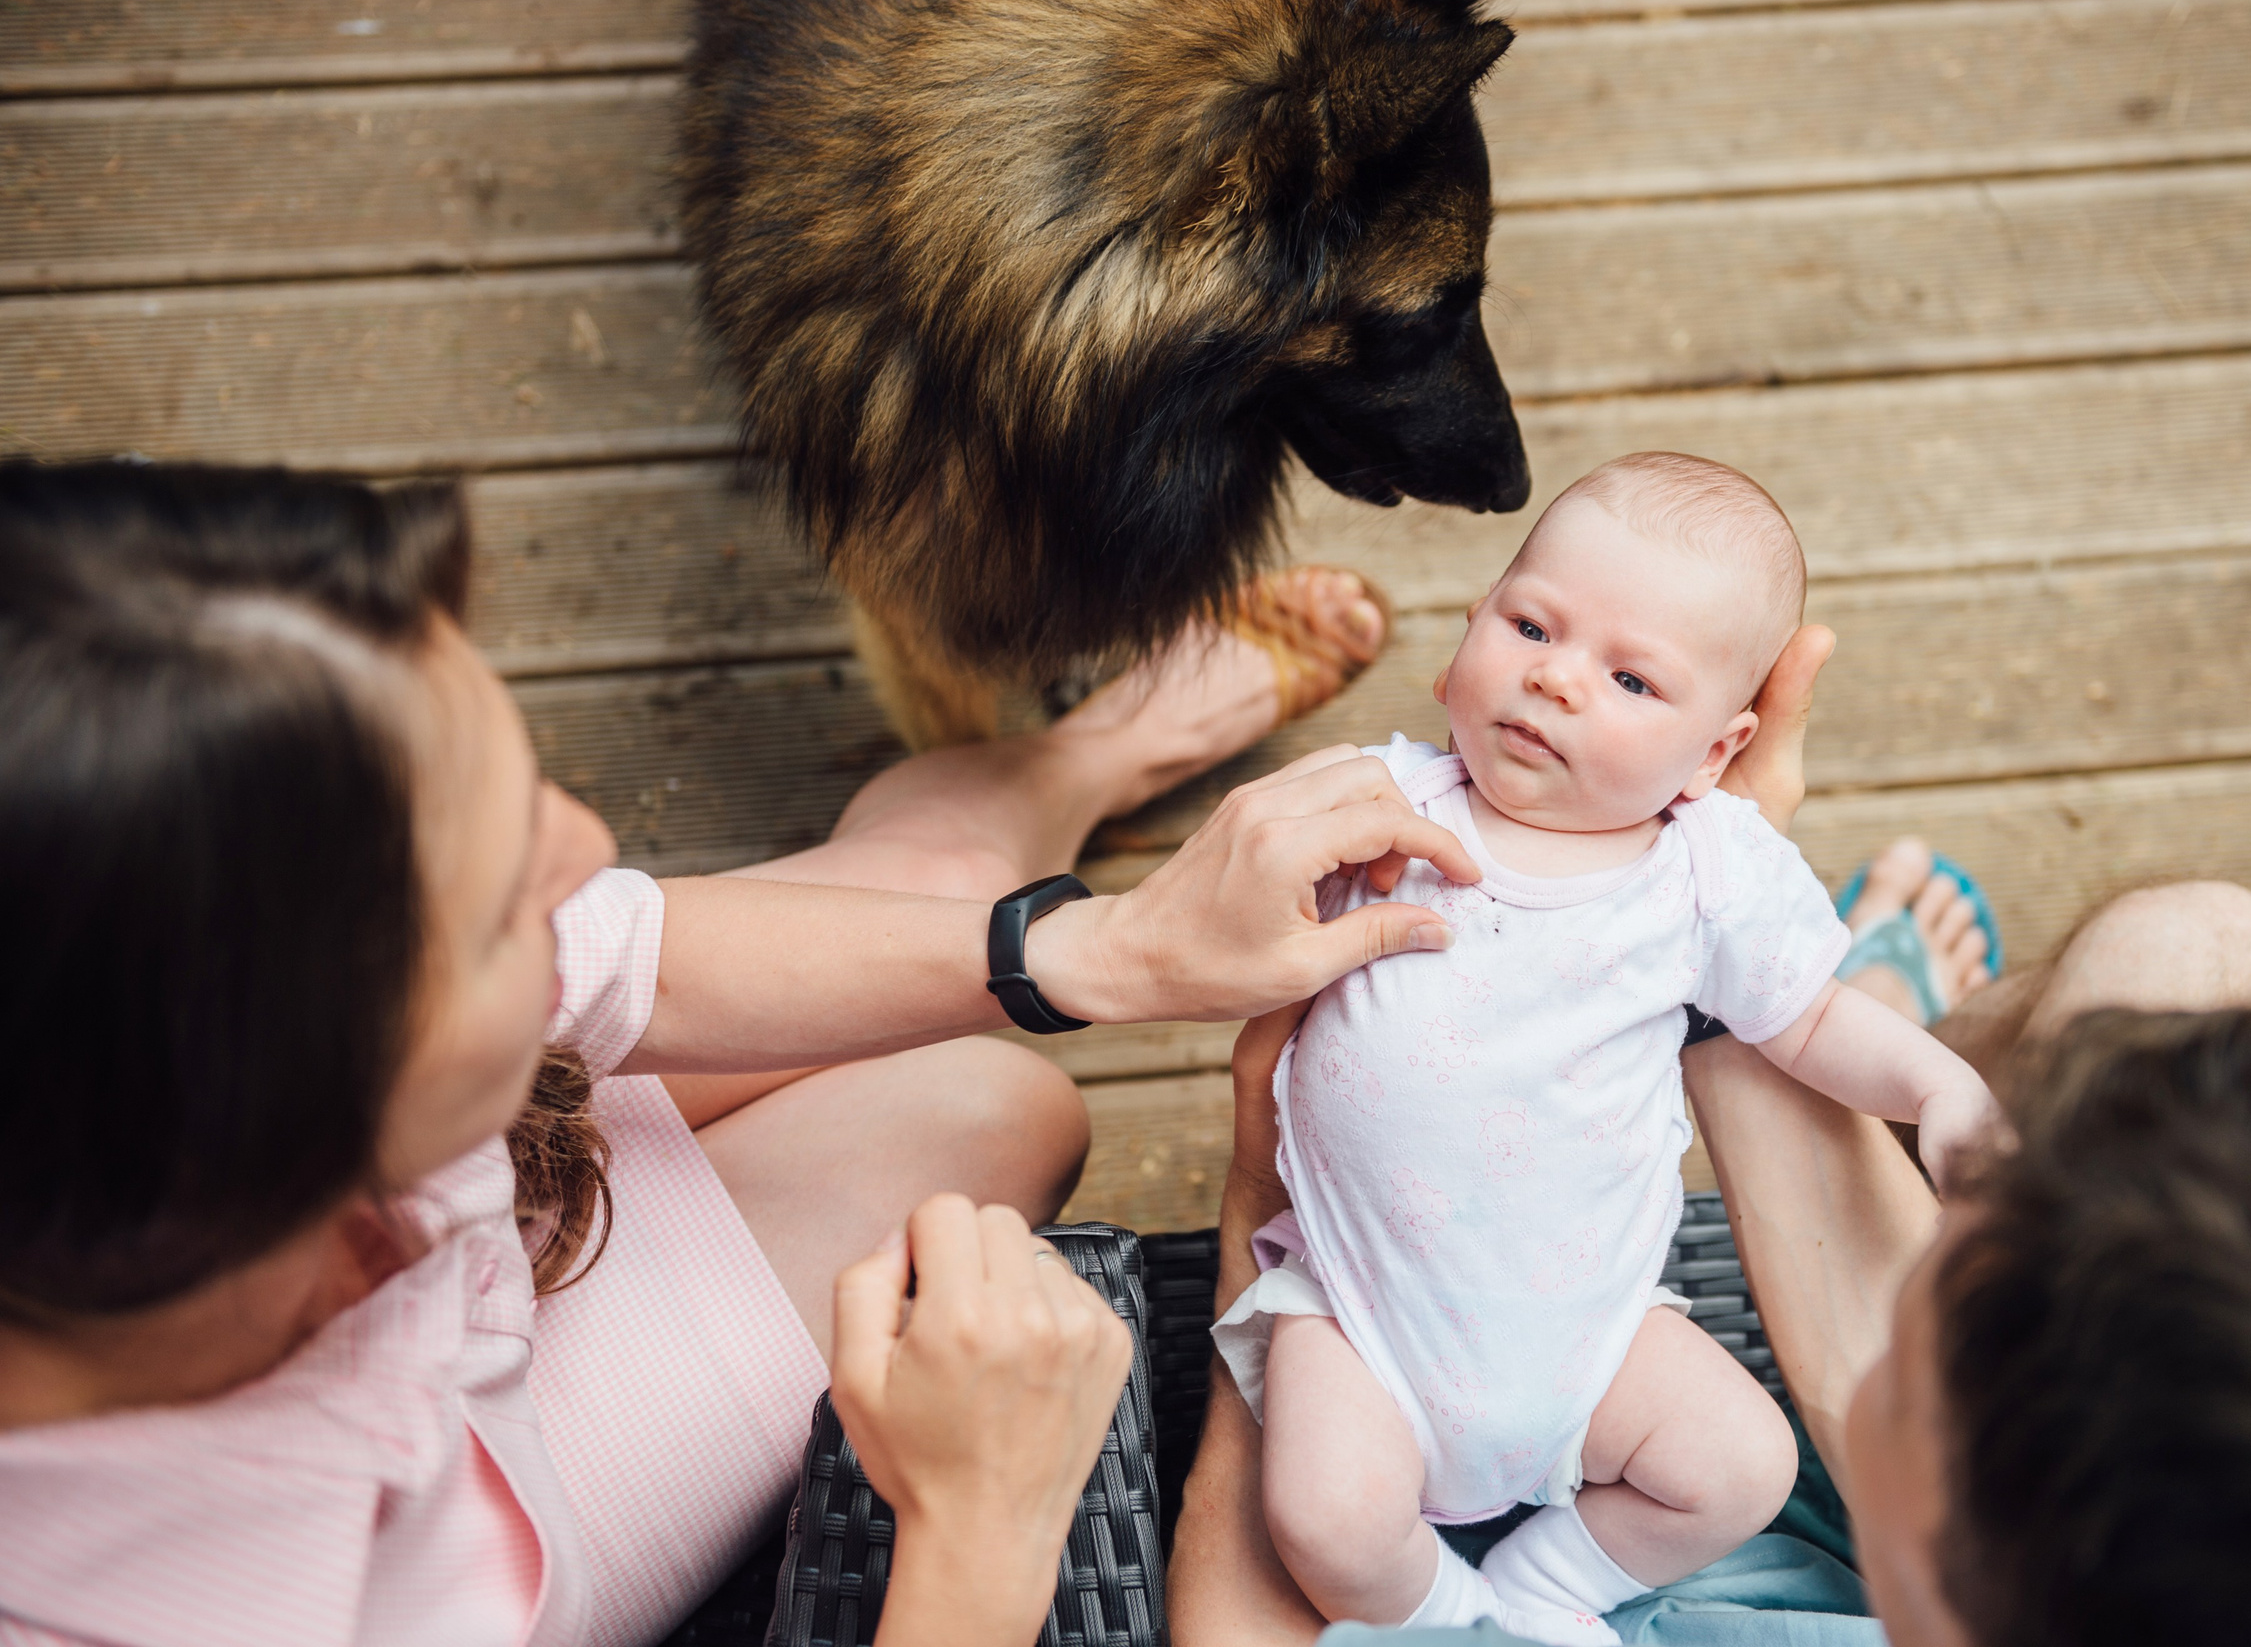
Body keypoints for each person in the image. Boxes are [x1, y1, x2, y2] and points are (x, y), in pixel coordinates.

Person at [0, 459, 1471, 1647]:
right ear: (278, 1142)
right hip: (500, 1512)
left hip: (444, 1264)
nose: (587, 849)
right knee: (984, 1108)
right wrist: (977, 1532)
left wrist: (1111, 955)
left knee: (959, 888)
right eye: (502, 893)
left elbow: (627, 945)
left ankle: (1063, 771)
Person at [1169, 701, 2251, 1641]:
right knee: (2208, 948)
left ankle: (1783, 1013)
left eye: (1954, 1337)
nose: (1936, 1296)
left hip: (1587, 1504)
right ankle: (1833, 1018)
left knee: (2148, 990)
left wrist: (1266, 1190)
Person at [1207, 456, 1998, 1643]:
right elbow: (1228, 923)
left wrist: (1936, 1082)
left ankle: (1552, 1586)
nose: (1553, 679)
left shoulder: (1704, 871)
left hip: (1590, 1337)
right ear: (1469, 627)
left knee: (1741, 1465)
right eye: (1528, 624)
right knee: (1322, 1516)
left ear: (1717, 752)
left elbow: (1813, 1021)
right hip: (1363, 1310)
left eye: (1630, 678)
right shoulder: (1384, 805)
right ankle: (1455, 1612)